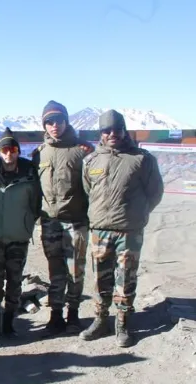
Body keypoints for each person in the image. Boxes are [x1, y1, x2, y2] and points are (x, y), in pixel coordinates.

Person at [80, 110, 164, 347]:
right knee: (99, 278)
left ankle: (123, 323)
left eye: (117, 129)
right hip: (100, 230)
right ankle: (100, 320)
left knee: (125, 278)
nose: (112, 134)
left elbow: (155, 192)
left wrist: (138, 214)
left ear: (124, 130)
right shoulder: (91, 160)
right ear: (101, 133)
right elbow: (88, 191)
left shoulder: (141, 159)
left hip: (128, 231)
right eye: (107, 130)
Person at [32, 101, 93, 337]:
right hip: (50, 222)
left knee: (75, 271)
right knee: (55, 270)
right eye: (49, 121)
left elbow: (92, 188)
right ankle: (56, 315)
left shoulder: (82, 151)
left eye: (58, 120)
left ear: (66, 121)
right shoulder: (40, 154)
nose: (54, 125)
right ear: (44, 125)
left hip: (76, 221)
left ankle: (73, 315)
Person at [0, 128, 41, 340]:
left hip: (18, 237)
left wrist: (24, 223)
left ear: (18, 151)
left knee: (14, 282)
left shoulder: (30, 175)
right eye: (4, 149)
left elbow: (36, 205)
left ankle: (9, 323)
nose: (8, 153)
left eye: (12, 149)